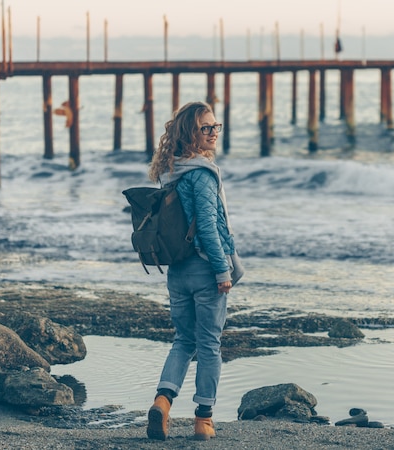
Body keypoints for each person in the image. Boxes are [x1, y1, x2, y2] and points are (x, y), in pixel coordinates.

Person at [146, 101, 244, 441]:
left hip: (178, 271)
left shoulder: (171, 171)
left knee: (183, 340)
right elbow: (206, 226)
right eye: (206, 127)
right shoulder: (201, 174)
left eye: (216, 126)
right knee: (209, 345)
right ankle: (203, 419)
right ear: (191, 132)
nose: (213, 133)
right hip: (204, 270)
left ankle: (162, 401)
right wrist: (222, 271)